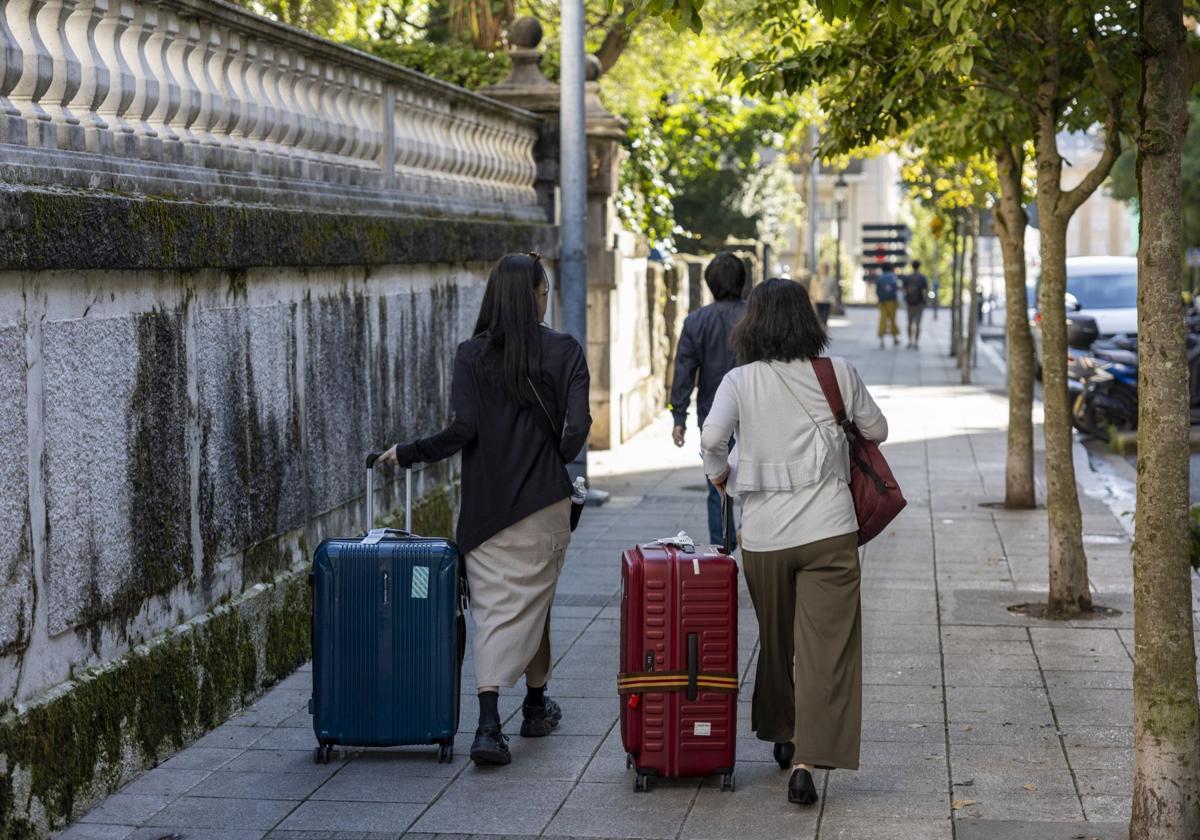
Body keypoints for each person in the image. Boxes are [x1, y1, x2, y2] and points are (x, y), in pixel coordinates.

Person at [377, 253, 591, 768]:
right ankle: (512, 717)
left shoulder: (470, 355)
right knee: (535, 599)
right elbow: (579, 428)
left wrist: (408, 452)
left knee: (496, 611)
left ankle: (512, 715)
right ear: (536, 295)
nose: (546, 297)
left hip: (485, 507)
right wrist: (553, 460)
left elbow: (462, 431)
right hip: (545, 505)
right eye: (544, 290)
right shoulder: (565, 350)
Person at [700, 278, 887, 807]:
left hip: (764, 537)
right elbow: (879, 429)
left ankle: (782, 733)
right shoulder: (838, 374)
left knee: (777, 640)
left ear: (752, 323)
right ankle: (807, 761)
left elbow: (713, 440)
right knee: (826, 649)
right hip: (830, 530)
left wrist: (719, 475)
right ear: (808, 321)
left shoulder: (739, 381)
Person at [669, 252, 747, 548]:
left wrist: (679, 418)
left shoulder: (695, 322)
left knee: (718, 486)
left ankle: (721, 549)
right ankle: (752, 537)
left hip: (712, 417)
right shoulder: (755, 317)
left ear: (710, 284)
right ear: (742, 281)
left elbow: (684, 370)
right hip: (754, 414)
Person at [903, 260, 930, 349]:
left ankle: (910, 341)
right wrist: (925, 301)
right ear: (919, 266)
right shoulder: (922, 277)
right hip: (919, 303)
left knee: (909, 323)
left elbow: (904, 289)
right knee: (918, 324)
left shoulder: (908, 277)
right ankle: (916, 342)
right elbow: (926, 290)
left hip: (910, 303)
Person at [875, 266, 901, 348]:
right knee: (893, 319)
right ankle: (895, 339)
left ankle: (882, 340)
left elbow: (877, 291)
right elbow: (897, 289)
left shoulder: (880, 278)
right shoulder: (893, 277)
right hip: (892, 301)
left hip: (882, 302)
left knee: (883, 319)